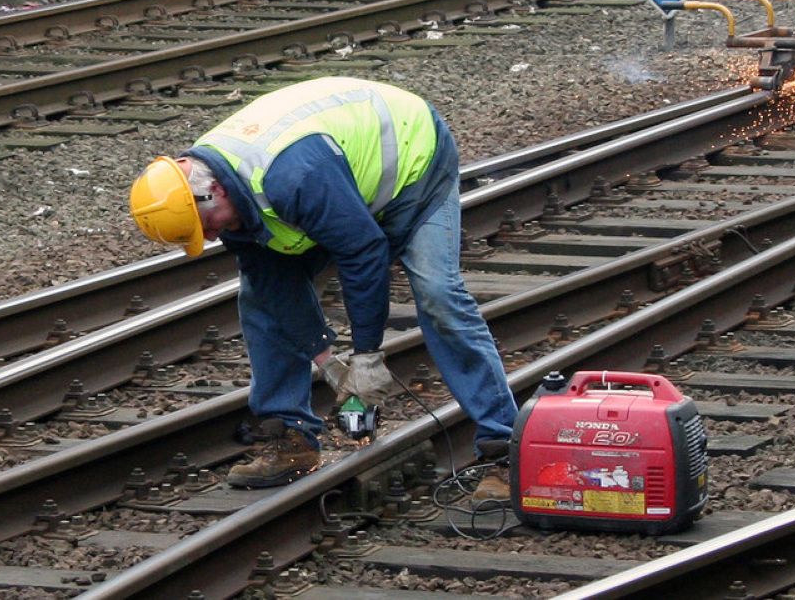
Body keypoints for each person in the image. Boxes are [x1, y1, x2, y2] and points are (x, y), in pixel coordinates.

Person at [127, 77, 516, 503]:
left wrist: (367, 356)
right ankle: (290, 435)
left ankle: (502, 448)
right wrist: (327, 361)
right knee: (260, 298)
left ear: (213, 190)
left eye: (208, 225)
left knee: (439, 295)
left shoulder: (294, 177)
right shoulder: (210, 191)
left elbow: (364, 253)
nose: (213, 236)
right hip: (338, 184)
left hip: (411, 164)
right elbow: (276, 283)